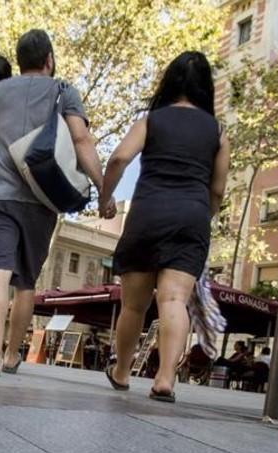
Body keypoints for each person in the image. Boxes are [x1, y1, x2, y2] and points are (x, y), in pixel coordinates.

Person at [0, 29, 107, 377]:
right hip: (42, 202)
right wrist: (104, 188)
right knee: (25, 281)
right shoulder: (63, 90)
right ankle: (13, 355)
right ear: (49, 60)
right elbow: (81, 138)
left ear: (20, 61)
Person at [98, 52, 228, 403]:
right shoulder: (217, 131)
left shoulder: (150, 120)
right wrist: (204, 214)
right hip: (191, 218)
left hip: (147, 214)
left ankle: (122, 372)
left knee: (133, 306)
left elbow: (119, 158)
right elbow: (217, 189)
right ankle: (165, 378)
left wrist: (105, 198)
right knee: (174, 300)